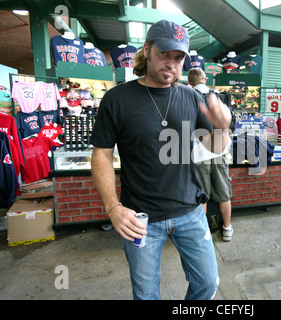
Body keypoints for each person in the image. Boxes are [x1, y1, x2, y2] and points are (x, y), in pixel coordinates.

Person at [90, 19, 231, 300]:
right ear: (147, 50)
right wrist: (113, 207)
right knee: (145, 295)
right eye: (164, 54)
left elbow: (214, 147)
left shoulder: (191, 97)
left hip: (190, 212)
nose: (172, 63)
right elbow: (102, 154)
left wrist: (220, 128)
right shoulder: (117, 99)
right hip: (140, 218)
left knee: (207, 284)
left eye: (179, 57)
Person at [188, 67, 233, 241]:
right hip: (220, 152)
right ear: (205, 80)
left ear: (190, 82)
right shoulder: (220, 97)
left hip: (199, 154)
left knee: (203, 197)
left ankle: (204, 232)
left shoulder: (188, 98)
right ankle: (227, 228)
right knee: (224, 194)